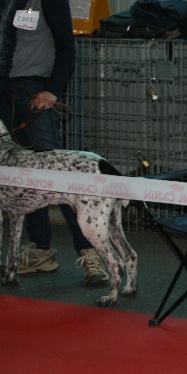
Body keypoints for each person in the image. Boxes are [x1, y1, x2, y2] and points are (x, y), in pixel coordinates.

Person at [0, 0, 109, 285]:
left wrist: (52, 90)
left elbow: (66, 47)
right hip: (4, 92)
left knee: (58, 177)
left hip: (33, 91)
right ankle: (40, 251)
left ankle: (90, 254)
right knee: (23, 180)